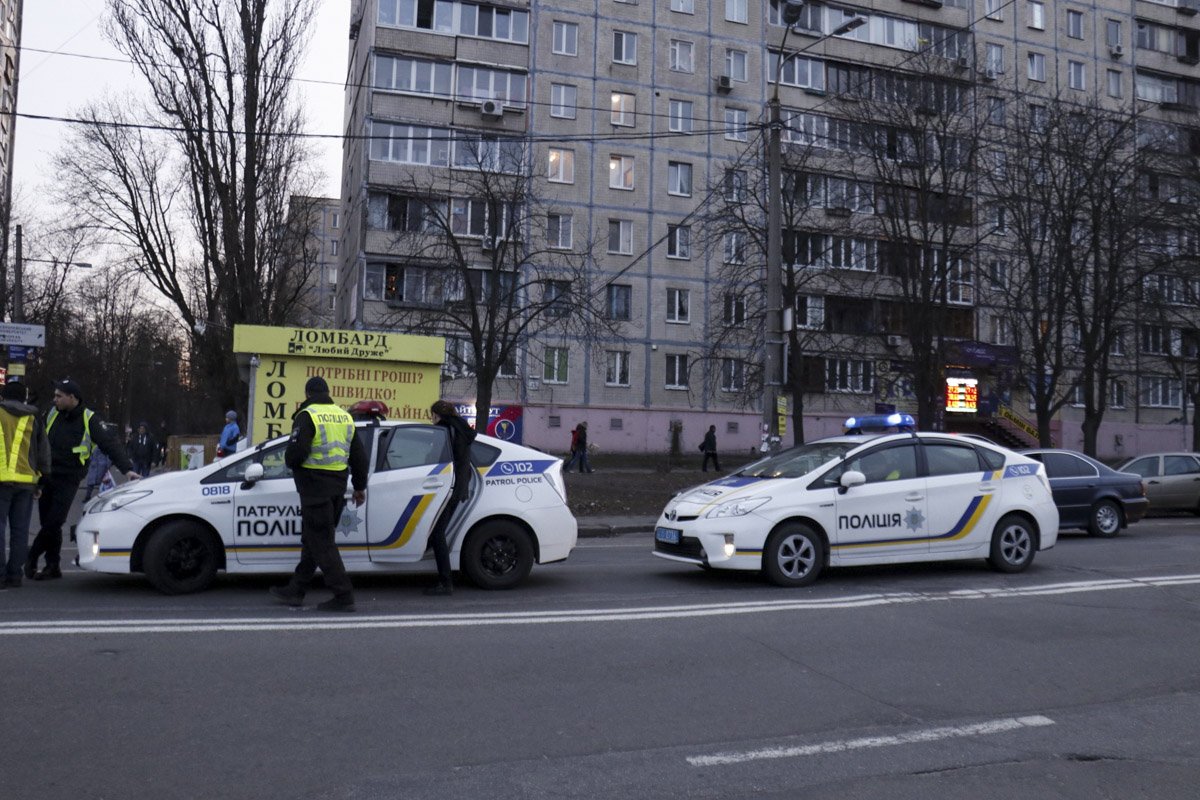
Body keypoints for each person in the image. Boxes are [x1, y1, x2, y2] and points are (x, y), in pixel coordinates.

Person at [269, 376, 367, 612]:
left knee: (322, 543)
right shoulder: (344, 416)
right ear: (327, 392)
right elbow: (359, 457)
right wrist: (359, 487)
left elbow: (296, 454)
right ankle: (296, 589)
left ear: (308, 394)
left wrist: (292, 462)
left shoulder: (308, 414)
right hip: (337, 489)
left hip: (314, 488)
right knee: (313, 539)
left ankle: (343, 595)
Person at [25, 379, 139, 581]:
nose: (55, 399)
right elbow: (38, 441)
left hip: (69, 477)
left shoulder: (89, 418)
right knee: (48, 524)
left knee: (54, 521)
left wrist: (127, 469)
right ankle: (53, 566)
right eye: (55, 395)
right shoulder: (52, 413)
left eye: (59, 396)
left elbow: (109, 444)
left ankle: (30, 557)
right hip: (47, 475)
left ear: (72, 398)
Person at [0, 381, 51, 589]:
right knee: (20, 531)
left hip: (1, 481)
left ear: (3, 396)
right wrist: (43, 479)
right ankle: (15, 575)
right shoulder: (33, 417)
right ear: (24, 398)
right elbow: (43, 451)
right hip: (26, 482)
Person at [424, 400, 477, 596]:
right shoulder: (460, 428)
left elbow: (437, 458)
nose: (432, 420)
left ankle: (445, 582)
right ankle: (443, 579)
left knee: (437, 533)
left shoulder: (445, 431)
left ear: (437, 415)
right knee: (437, 532)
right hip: (456, 486)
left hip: (447, 487)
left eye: (432, 416)